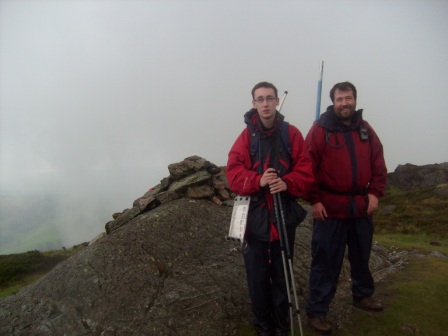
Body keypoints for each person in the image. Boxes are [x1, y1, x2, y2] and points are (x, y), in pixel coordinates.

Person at [226, 81, 314, 336]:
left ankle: (282, 328)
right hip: (253, 221)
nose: (265, 103)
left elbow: (306, 172)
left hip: (283, 217)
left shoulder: (291, 134)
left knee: (282, 277)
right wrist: (258, 180)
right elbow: (233, 174)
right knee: (257, 280)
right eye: (260, 99)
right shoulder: (245, 139)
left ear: (277, 101)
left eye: (269, 98)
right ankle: (263, 329)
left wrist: (287, 183)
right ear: (253, 104)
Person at [304, 81, 387, 334]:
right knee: (326, 261)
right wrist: (315, 200)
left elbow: (379, 162)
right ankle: (317, 312)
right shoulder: (320, 129)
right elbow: (306, 167)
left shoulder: (365, 129)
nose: (345, 103)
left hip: (361, 207)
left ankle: (362, 296)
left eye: (348, 98)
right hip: (329, 209)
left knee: (361, 256)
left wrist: (375, 192)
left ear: (355, 99)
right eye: (340, 99)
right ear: (333, 101)